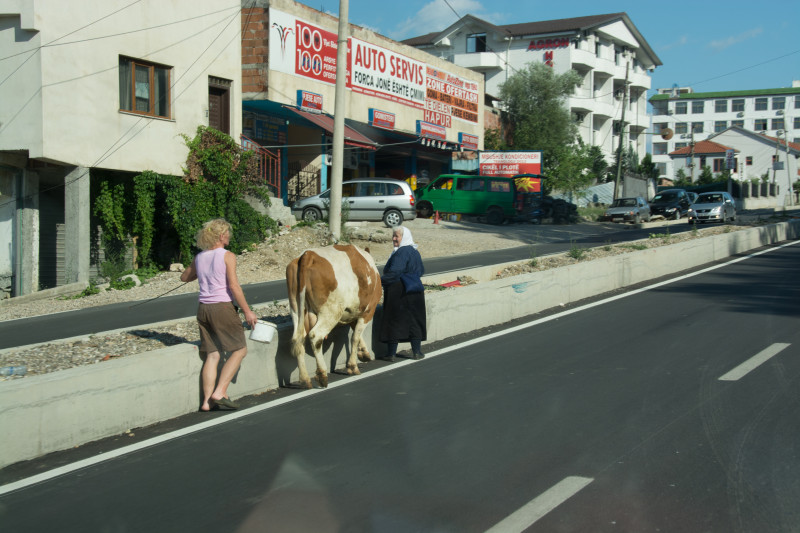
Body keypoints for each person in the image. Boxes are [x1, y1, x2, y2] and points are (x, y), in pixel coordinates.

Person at [180, 218, 258, 411]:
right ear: (222, 235)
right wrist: (248, 311)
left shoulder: (199, 257)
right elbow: (234, 286)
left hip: (203, 309)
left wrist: (200, 272)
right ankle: (220, 391)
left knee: (213, 355)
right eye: (228, 233)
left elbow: (184, 277)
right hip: (222, 307)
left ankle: (207, 402)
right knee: (240, 350)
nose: (230, 236)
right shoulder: (227, 256)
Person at [379, 226, 427, 361]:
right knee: (415, 320)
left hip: (398, 289)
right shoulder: (414, 251)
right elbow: (421, 270)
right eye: (393, 236)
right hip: (415, 289)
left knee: (393, 319)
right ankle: (417, 352)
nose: (394, 239)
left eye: (397, 236)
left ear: (403, 237)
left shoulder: (401, 252)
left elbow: (395, 272)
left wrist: (379, 281)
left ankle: (391, 354)